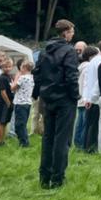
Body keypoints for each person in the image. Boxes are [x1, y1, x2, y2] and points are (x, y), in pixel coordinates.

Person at [34, 18, 81, 189]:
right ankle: (57, 178)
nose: (73, 34)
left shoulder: (44, 51)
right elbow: (71, 76)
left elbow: (37, 74)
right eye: (72, 31)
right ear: (66, 32)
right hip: (64, 100)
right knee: (62, 139)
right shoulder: (69, 51)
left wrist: (40, 92)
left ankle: (44, 176)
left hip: (47, 98)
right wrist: (75, 95)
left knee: (48, 137)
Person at [82, 39, 101, 153]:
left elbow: (87, 81)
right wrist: (92, 98)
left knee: (90, 124)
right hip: (97, 97)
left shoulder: (93, 61)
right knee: (96, 126)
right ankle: (92, 149)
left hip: (90, 97)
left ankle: (87, 146)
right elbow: (98, 81)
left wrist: (86, 98)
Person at [73, 46, 98, 149]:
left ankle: (77, 142)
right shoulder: (88, 67)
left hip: (79, 98)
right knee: (84, 122)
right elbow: (87, 83)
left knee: (79, 122)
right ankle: (82, 144)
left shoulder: (81, 66)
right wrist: (88, 98)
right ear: (91, 56)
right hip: (85, 98)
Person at [12, 60, 35, 148]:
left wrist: (16, 78)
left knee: (19, 125)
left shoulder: (22, 78)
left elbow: (13, 88)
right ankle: (23, 141)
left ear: (24, 68)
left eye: (21, 66)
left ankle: (24, 143)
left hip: (20, 103)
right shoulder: (32, 77)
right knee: (23, 124)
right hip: (27, 103)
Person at [0, 58, 14, 146]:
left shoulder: (9, 76)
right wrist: (8, 103)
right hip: (4, 104)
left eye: (9, 67)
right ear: (2, 67)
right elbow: (3, 92)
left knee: (5, 122)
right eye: (6, 67)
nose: (8, 68)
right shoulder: (2, 78)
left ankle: (2, 139)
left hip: (9, 103)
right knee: (1, 122)